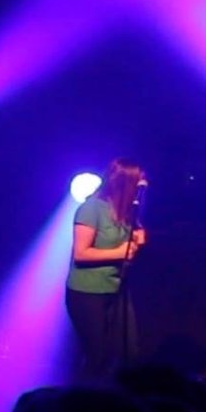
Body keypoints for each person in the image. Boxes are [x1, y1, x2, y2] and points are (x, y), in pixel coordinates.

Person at [66, 158, 146, 384]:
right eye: (139, 182)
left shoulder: (126, 211)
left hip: (117, 290)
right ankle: (83, 397)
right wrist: (119, 252)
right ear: (125, 183)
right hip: (87, 293)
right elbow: (81, 253)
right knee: (97, 356)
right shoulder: (91, 208)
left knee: (128, 349)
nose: (144, 186)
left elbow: (129, 243)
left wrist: (139, 238)